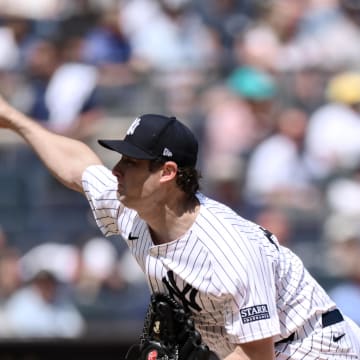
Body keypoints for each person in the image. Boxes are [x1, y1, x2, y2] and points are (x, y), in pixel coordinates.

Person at [0, 96, 359, 360]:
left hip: (317, 348)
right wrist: (14, 118)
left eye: (132, 161)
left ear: (168, 173)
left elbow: (256, 356)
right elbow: (80, 168)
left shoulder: (227, 249)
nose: (117, 170)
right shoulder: (135, 208)